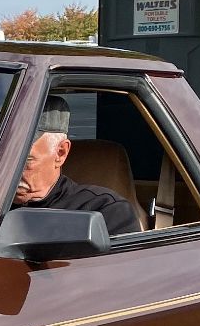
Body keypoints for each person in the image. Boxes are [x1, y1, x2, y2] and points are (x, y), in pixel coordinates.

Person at [13, 96, 141, 236]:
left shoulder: (105, 210)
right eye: (4, 159)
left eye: (26, 160)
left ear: (60, 153)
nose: (11, 171)